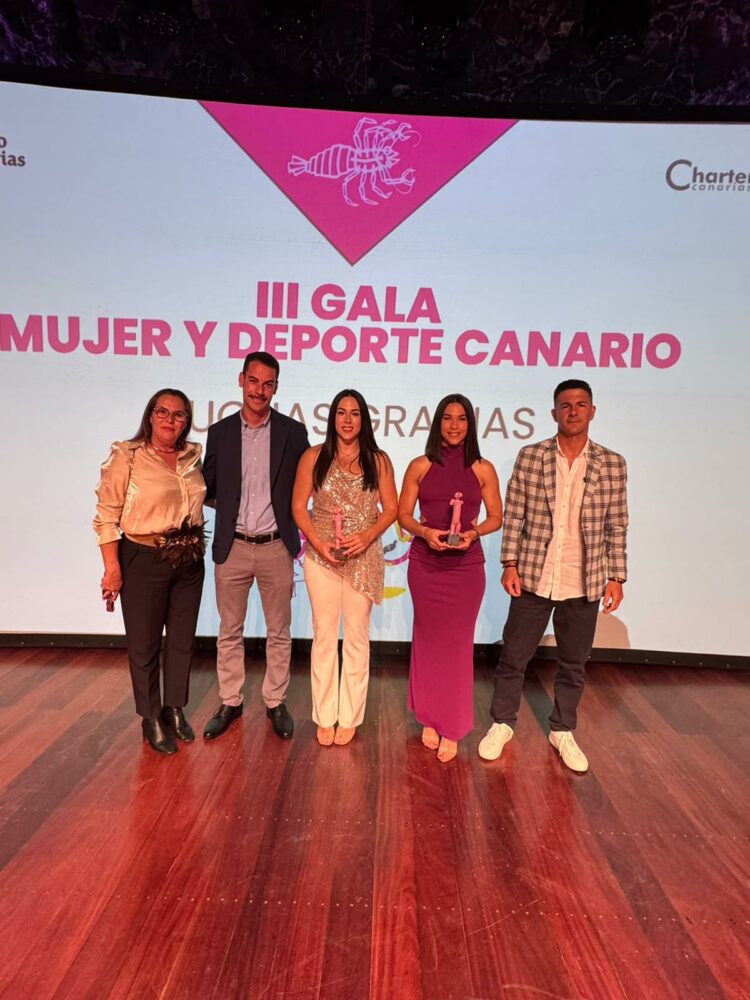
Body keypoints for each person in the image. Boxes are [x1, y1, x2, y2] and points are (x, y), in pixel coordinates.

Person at [478, 379, 628, 773]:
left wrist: (617, 576)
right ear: (554, 413)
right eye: (565, 405)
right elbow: (515, 516)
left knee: (574, 662)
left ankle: (563, 729)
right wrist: (509, 564)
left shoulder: (613, 464)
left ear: (592, 411)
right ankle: (502, 723)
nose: (573, 411)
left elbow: (617, 525)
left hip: (585, 579)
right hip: (533, 575)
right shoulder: (531, 457)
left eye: (581, 404)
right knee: (513, 656)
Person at [202, 351, 310, 741]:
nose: (259, 390)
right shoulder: (220, 432)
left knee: (279, 631)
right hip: (232, 547)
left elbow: (305, 485)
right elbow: (209, 487)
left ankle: (274, 702)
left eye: (268, 384)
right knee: (229, 630)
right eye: (253, 381)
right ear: (241, 380)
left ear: (276, 388)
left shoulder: (293, 433)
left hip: (276, 546)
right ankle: (230, 700)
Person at [94, 389, 206, 755]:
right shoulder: (127, 456)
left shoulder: (192, 456)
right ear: (150, 415)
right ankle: (150, 717)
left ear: (186, 421)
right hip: (143, 556)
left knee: (181, 640)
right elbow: (106, 517)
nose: (170, 421)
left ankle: (174, 708)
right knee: (143, 644)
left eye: (178, 415)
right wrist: (112, 569)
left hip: (189, 557)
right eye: (163, 412)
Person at [399, 394, 502, 762]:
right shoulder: (419, 465)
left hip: (465, 567)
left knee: (458, 645)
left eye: (461, 419)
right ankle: (429, 716)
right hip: (425, 565)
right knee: (427, 640)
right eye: (447, 418)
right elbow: (403, 516)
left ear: (470, 425)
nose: (454, 425)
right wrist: (425, 533)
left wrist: (474, 534)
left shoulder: (483, 468)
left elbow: (495, 517)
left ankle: (453, 725)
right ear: (437, 423)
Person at [292, 389, 398, 746]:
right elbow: (296, 507)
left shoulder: (378, 460)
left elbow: (391, 510)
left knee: (356, 636)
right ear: (332, 417)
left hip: (363, 556)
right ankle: (324, 715)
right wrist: (318, 543)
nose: (348, 419)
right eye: (341, 412)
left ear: (364, 419)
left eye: (355, 413)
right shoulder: (313, 457)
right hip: (321, 557)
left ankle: (349, 716)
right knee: (324, 635)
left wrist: (366, 537)